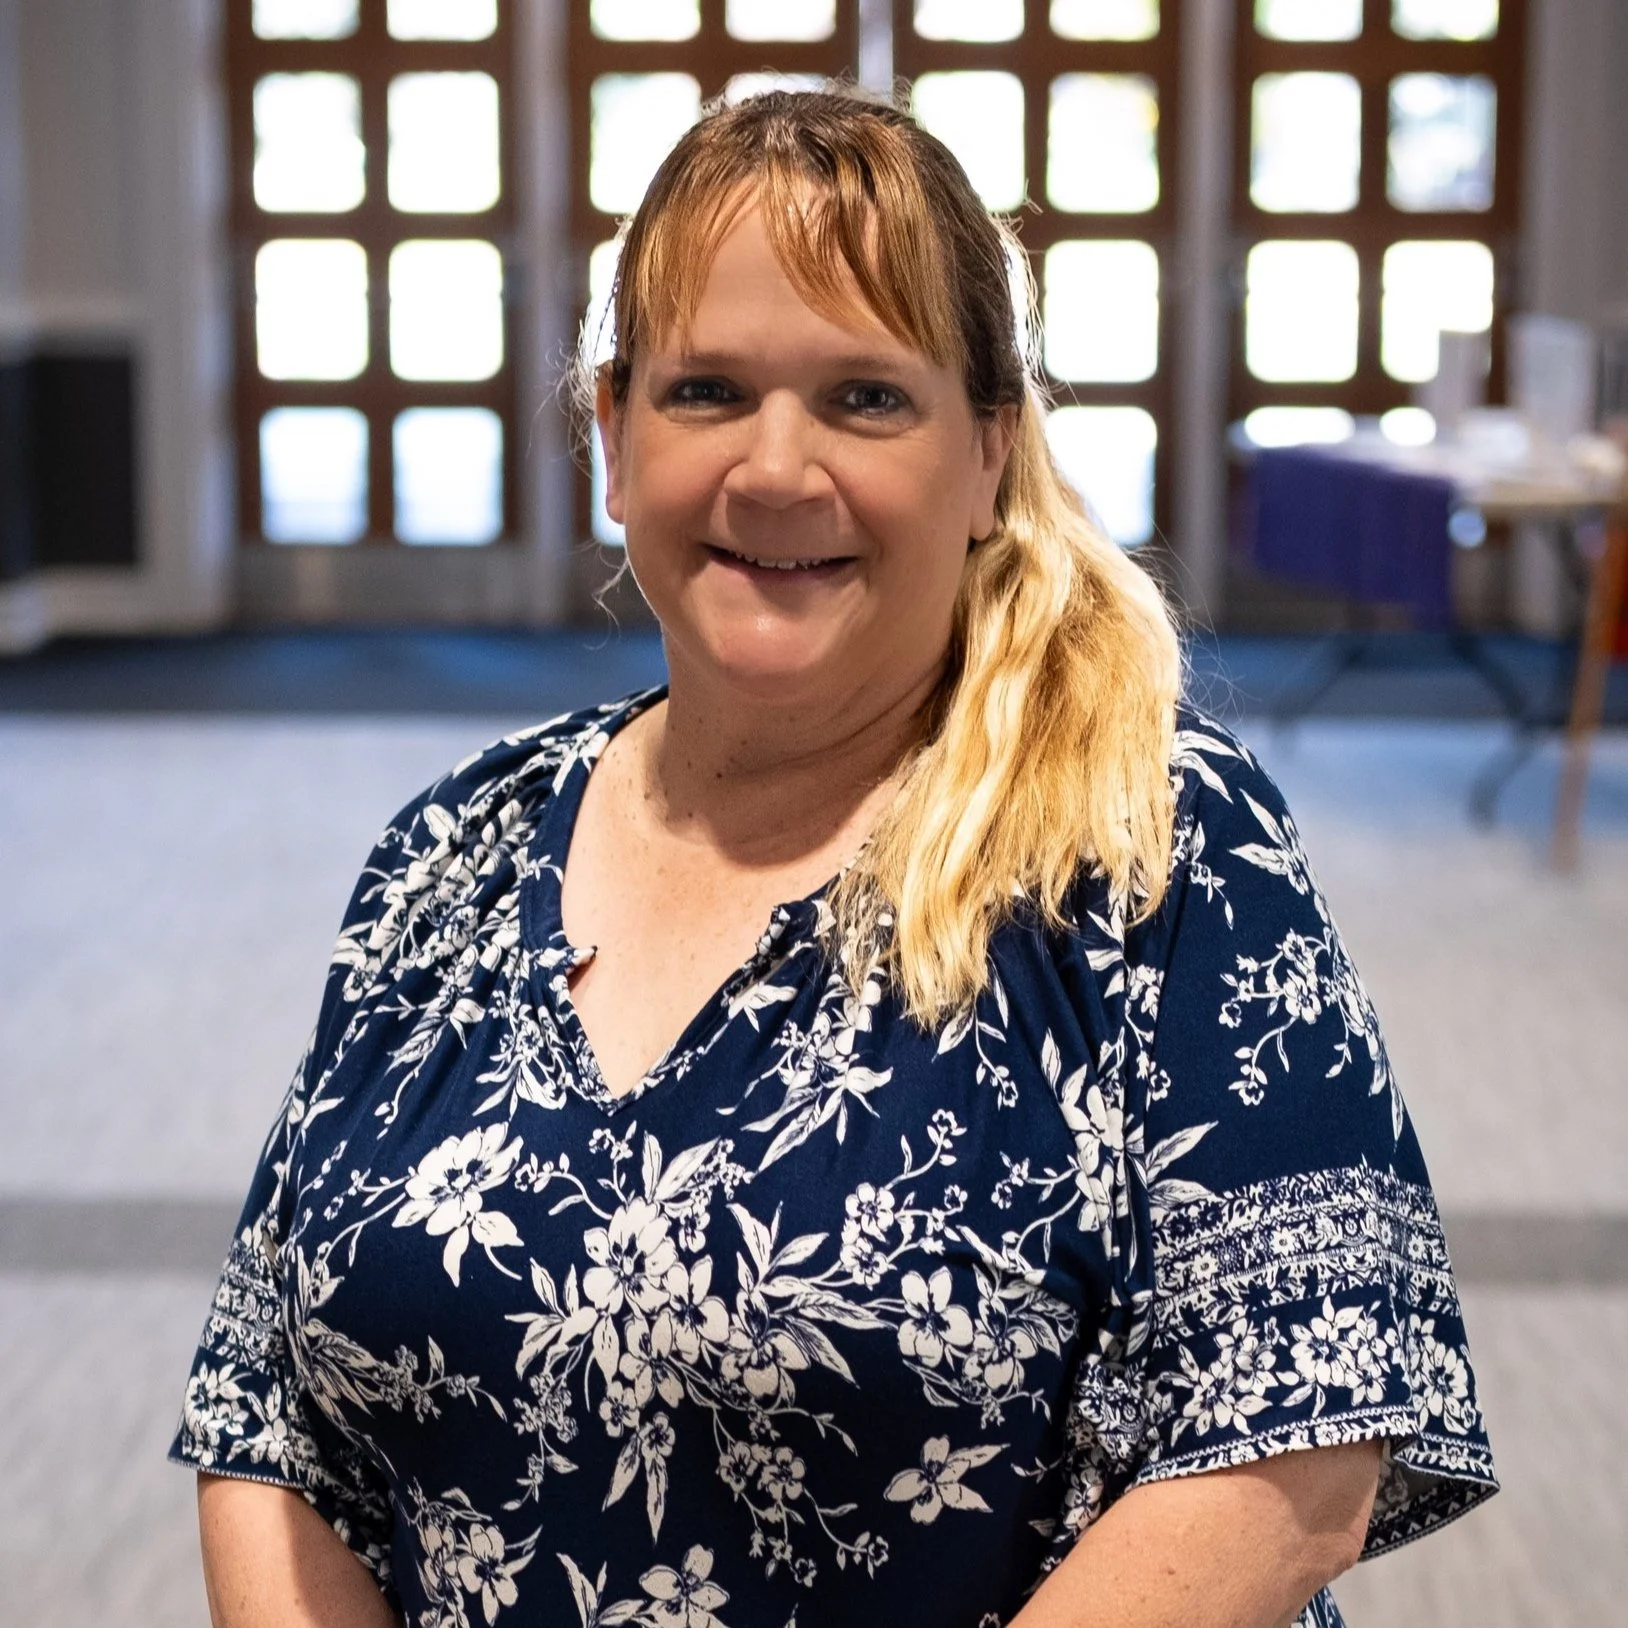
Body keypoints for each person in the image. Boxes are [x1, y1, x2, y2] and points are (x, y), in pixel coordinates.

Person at [170, 87, 1496, 1628]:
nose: (777, 469)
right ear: (612, 437)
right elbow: (270, 1409)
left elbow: (1299, 1453)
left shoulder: (1149, 840)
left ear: (989, 452)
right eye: (708, 391)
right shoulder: (450, 851)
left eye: (867, 399)